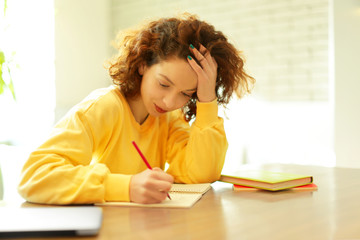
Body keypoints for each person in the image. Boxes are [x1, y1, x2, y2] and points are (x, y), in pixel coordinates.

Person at [18, 14, 254, 204]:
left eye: (186, 94)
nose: (170, 102)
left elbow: (201, 173)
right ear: (142, 65)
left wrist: (206, 99)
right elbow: (34, 176)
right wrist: (125, 187)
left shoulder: (170, 117)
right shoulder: (104, 107)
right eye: (163, 84)